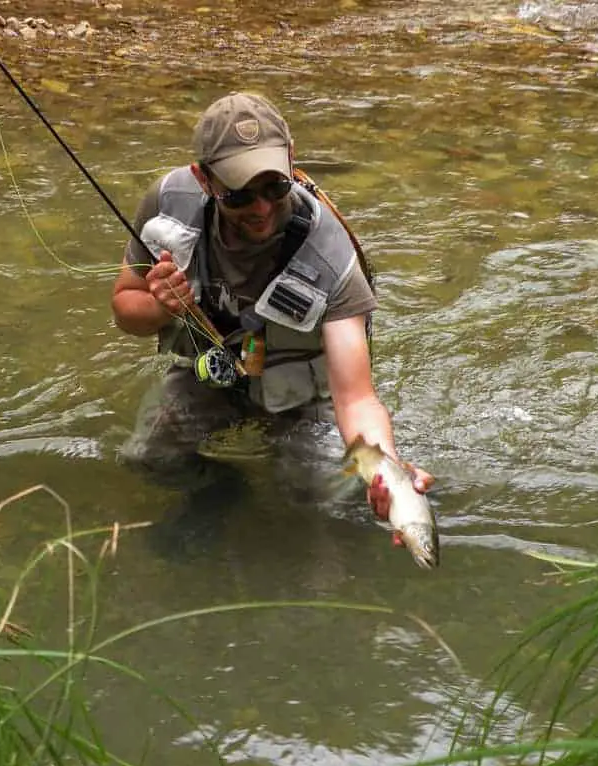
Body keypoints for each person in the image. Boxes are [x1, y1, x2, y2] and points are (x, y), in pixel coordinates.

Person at [110, 92, 431, 534]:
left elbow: (355, 398)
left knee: (315, 494)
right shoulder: (169, 202)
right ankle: (223, 490)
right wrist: (160, 306)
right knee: (149, 459)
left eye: (274, 187)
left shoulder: (331, 259)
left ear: (291, 161)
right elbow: (125, 312)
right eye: (239, 195)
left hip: (303, 400)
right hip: (215, 377)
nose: (260, 208)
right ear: (204, 180)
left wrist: (387, 472)